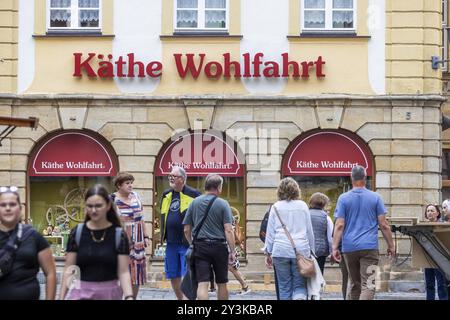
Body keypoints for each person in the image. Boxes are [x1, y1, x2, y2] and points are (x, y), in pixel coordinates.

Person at [332, 165, 395, 300]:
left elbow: (339, 225)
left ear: (351, 178)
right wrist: (391, 245)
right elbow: (383, 225)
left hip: (349, 248)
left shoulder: (343, 198)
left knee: (355, 284)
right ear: (365, 178)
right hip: (369, 247)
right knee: (369, 284)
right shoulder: (376, 197)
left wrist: (334, 247)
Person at [60, 184, 133, 300]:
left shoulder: (119, 235)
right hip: (81, 295)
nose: (93, 210)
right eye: (89, 206)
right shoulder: (77, 233)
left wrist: (129, 296)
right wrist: (61, 297)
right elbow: (69, 269)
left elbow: (123, 272)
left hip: (110, 295)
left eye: (98, 206)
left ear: (108, 206)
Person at [183, 174, 235, 300]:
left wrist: (192, 243)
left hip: (200, 246)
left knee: (202, 283)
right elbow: (228, 229)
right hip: (219, 247)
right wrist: (232, 251)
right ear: (219, 187)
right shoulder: (223, 204)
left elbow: (186, 229)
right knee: (222, 283)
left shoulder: (194, 203)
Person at [0, 186, 56, 300]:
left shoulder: (34, 236)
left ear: (20, 208)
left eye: (12, 204)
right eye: (3, 205)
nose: (8, 208)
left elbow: (51, 273)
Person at [263, 177, 315, 300]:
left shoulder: (275, 207)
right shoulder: (303, 206)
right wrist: (312, 251)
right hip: (301, 250)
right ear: (296, 190)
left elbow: (270, 233)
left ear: (280, 191)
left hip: (280, 250)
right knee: (300, 286)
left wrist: (268, 253)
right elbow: (309, 231)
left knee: (284, 287)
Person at [160, 166, 201, 300]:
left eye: (174, 176)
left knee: (187, 275)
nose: (171, 178)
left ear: (182, 179)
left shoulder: (194, 194)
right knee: (173, 274)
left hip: (186, 243)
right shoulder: (166, 194)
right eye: (169, 175)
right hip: (171, 242)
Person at [112, 172, 149, 299]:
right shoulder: (112, 199)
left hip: (138, 240)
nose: (130, 185)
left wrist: (146, 236)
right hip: (120, 241)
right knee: (121, 272)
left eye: (131, 183)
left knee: (137, 274)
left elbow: (141, 218)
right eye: (127, 183)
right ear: (119, 185)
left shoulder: (136, 196)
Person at [423, 204, 448, 300]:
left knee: (442, 285)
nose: (429, 213)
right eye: (428, 211)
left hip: (440, 260)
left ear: (437, 213)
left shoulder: (443, 225)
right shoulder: (423, 226)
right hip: (427, 259)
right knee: (429, 285)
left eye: (432, 211)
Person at [309, 192, 333, 275]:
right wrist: (332, 252)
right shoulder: (326, 217)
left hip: (306, 250)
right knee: (318, 275)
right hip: (321, 252)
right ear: (323, 204)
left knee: (305, 274)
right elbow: (330, 237)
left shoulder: (305, 214)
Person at [229, 207, 251, 295]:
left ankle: (245, 286)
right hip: (229, 246)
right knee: (232, 267)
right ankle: (212, 287)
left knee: (232, 268)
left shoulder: (228, 219)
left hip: (227, 246)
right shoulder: (231, 218)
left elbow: (231, 232)